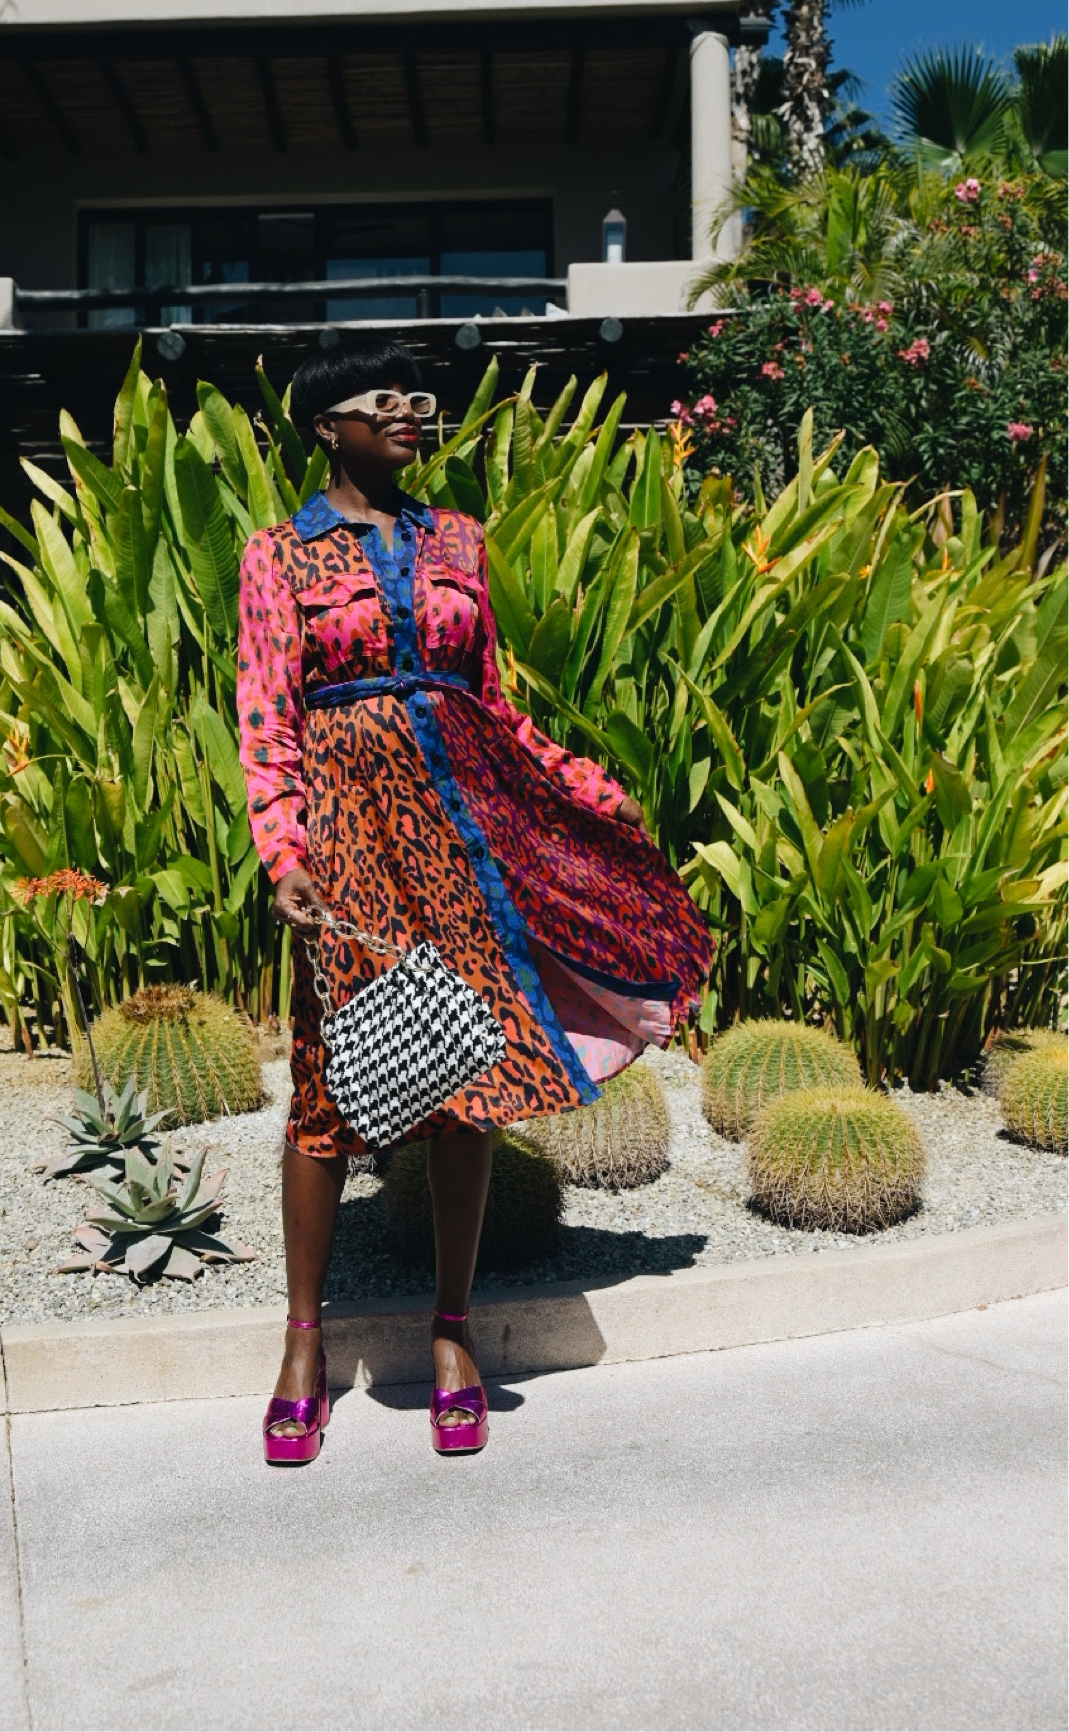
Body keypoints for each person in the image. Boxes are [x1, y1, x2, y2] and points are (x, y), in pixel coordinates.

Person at [237, 335, 712, 1465]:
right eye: (384, 398)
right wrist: (282, 847)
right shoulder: (279, 554)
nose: (410, 412)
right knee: (325, 1086)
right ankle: (305, 1344)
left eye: (419, 398)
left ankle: (453, 1333)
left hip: (467, 835)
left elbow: (489, 695)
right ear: (325, 425)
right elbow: (267, 710)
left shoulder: (459, 540)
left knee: (465, 1081)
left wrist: (578, 785)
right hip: (350, 840)